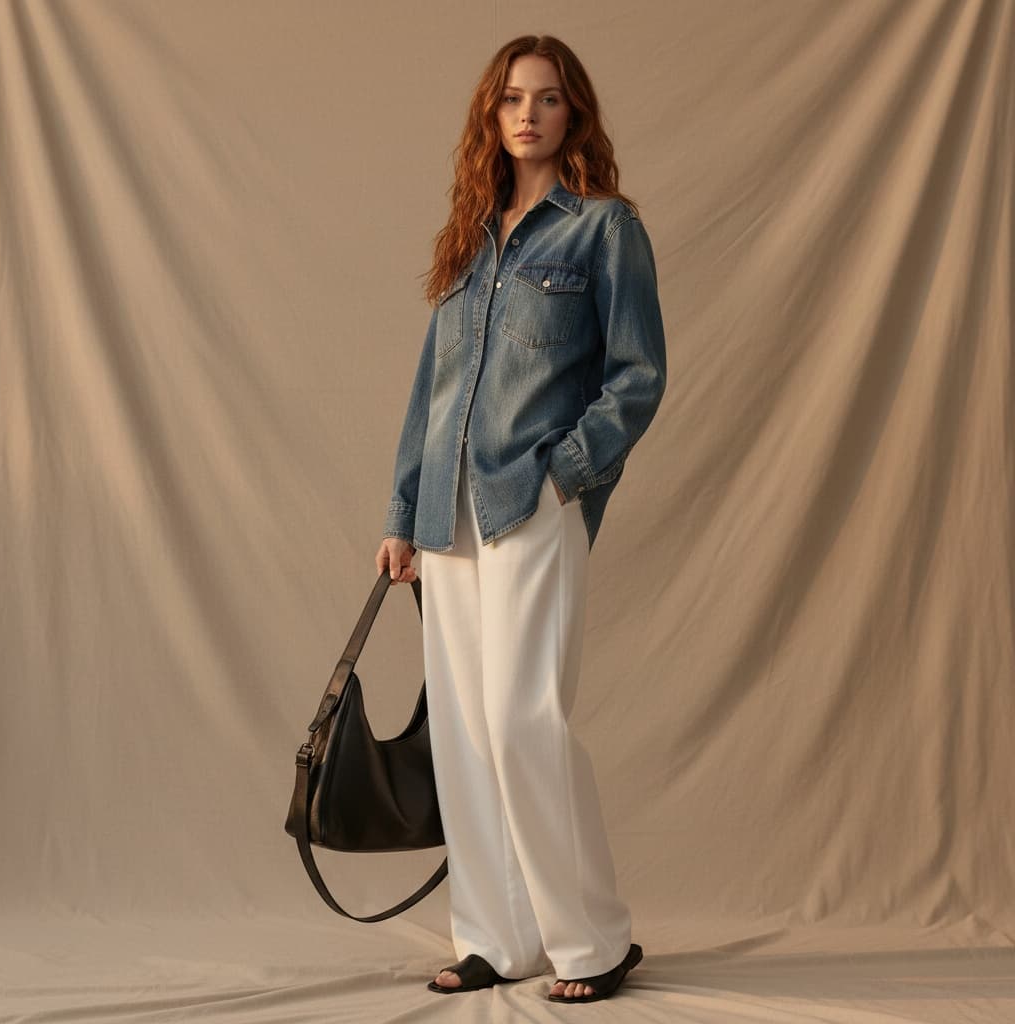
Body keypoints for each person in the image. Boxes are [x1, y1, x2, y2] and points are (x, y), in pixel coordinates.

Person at [374, 34, 666, 1004]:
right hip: (446, 518)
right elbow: (430, 389)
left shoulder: (603, 230)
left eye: (545, 98)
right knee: (462, 729)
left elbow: (636, 377)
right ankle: (496, 940)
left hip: (528, 507)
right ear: (490, 117)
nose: (527, 114)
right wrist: (402, 511)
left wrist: (562, 476)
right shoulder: (469, 234)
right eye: (510, 99)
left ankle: (591, 940)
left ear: (572, 112)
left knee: (521, 720)